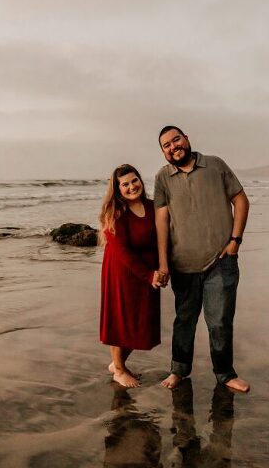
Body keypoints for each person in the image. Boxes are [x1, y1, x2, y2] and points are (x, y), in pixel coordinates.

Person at [154, 126, 251, 392]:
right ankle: (178, 371)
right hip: (182, 265)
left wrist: (235, 241)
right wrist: (163, 264)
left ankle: (225, 373)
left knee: (219, 320)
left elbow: (241, 200)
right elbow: (161, 222)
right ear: (163, 153)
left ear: (186, 138)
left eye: (176, 140)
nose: (173, 146)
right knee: (184, 320)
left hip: (221, 262)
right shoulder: (163, 178)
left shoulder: (215, 165)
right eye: (166, 145)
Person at [100, 164, 167, 388]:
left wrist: (163, 268)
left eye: (134, 180)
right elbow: (122, 252)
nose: (131, 187)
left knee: (141, 323)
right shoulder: (116, 213)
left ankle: (116, 363)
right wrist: (149, 275)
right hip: (122, 272)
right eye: (125, 184)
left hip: (148, 272)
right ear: (118, 189)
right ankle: (119, 370)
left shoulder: (152, 206)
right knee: (122, 320)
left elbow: (163, 237)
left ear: (141, 180)